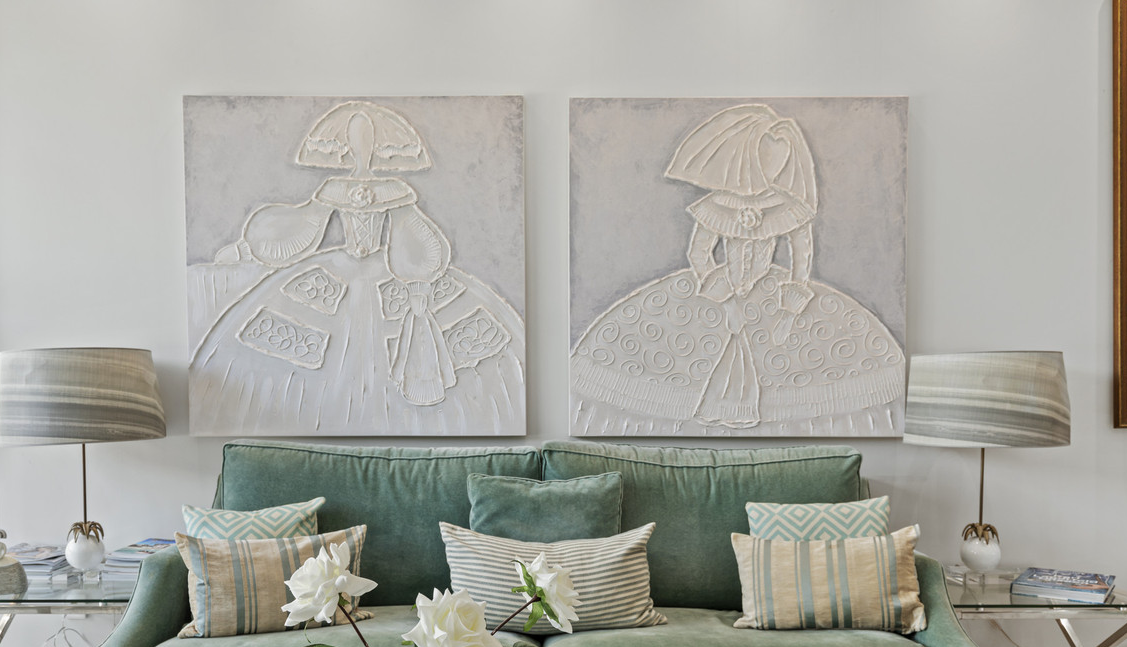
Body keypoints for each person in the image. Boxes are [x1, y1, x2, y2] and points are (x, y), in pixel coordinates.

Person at [190, 101, 523, 435]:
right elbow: (303, 227)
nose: (360, 148)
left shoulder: (392, 190)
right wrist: (249, 247)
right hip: (342, 269)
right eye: (356, 141)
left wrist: (417, 279)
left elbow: (415, 236)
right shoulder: (338, 188)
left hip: (385, 268)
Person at [571, 104, 904, 435]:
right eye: (767, 154)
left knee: (790, 364)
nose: (775, 164)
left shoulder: (790, 207)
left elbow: (801, 261)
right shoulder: (718, 203)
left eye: (781, 156)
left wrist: (788, 313)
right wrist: (727, 301)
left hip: (769, 294)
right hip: (719, 291)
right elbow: (699, 253)